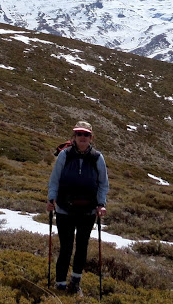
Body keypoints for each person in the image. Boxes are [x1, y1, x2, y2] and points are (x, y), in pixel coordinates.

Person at [47, 121, 109, 295]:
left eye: (86, 135)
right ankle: (60, 285)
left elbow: (103, 184)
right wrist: (51, 198)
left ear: (91, 137)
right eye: (79, 134)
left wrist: (101, 204)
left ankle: (75, 283)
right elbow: (55, 180)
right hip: (64, 209)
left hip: (88, 211)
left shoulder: (97, 158)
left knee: (82, 246)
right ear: (73, 137)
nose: (82, 137)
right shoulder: (64, 155)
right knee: (66, 247)